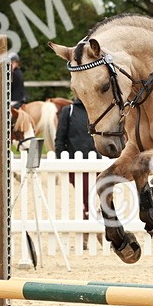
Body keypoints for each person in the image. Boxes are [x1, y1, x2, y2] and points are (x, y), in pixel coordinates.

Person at [54, 97, 97, 249]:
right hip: (75, 163)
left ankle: (94, 231)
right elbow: (60, 139)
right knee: (87, 199)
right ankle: (91, 234)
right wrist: (62, 161)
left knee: (95, 199)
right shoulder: (69, 111)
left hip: (97, 163)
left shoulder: (98, 108)